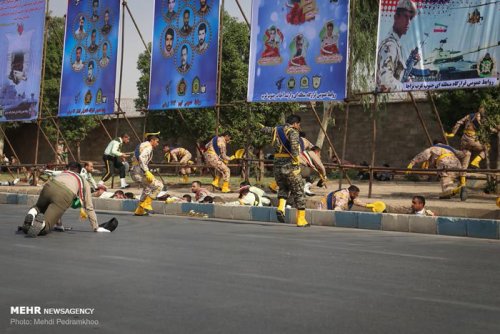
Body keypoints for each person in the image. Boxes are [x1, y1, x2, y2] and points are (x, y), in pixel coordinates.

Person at [20, 162, 110, 237]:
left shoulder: (62, 173)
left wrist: (59, 225)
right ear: (79, 171)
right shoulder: (82, 180)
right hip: (64, 193)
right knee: (46, 227)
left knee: (39, 207)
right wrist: (96, 227)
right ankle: (43, 225)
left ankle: (31, 214)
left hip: (49, 186)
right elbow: (89, 206)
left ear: (68, 168)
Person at [260, 114, 309, 227]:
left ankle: (281, 208)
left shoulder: (276, 130)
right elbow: (294, 147)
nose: (298, 127)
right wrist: (296, 161)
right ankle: (301, 220)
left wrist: (258, 125)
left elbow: (263, 129)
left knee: (283, 187)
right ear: (296, 124)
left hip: (277, 164)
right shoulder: (293, 132)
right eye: (298, 124)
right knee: (299, 191)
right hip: (289, 165)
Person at [376, 0, 419, 92]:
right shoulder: (390, 46)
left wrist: (412, 61)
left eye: (410, 18)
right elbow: (386, 82)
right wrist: (404, 87)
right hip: (387, 102)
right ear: (396, 17)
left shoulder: (396, 44)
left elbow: (397, 75)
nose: (408, 22)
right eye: (406, 17)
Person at [130, 133, 164, 216]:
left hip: (134, 171)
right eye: (157, 141)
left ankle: (139, 210)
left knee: (147, 188)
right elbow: (141, 158)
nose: (157, 143)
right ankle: (146, 204)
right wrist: (146, 171)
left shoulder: (142, 145)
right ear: (152, 140)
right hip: (140, 172)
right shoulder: (148, 147)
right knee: (159, 185)